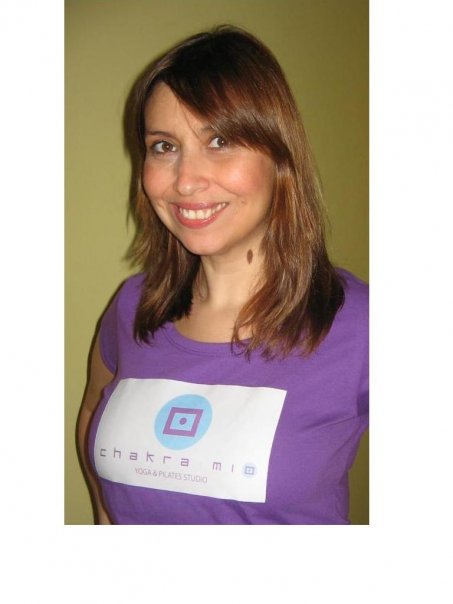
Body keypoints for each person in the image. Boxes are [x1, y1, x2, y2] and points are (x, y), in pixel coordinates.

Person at [77, 25, 368, 525]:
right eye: (163, 146)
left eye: (220, 140)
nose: (186, 181)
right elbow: (91, 413)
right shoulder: (132, 306)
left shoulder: (361, 325)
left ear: (279, 156)